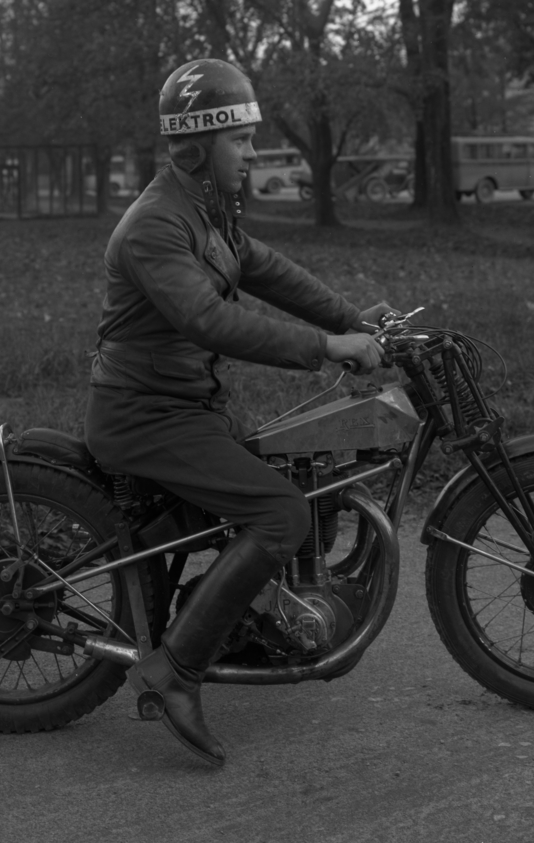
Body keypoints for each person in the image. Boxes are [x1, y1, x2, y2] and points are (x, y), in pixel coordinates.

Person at [83, 58, 394, 766]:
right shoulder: (155, 226)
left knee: (297, 480)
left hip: (188, 405)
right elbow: (209, 321)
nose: (253, 154)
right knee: (281, 514)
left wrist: (353, 320)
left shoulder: (206, 212)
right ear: (197, 146)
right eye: (241, 140)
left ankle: (247, 621)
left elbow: (268, 270)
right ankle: (174, 672)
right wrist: (327, 347)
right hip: (143, 416)